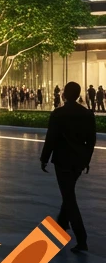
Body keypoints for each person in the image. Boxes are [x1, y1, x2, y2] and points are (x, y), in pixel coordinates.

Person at [40, 80, 96, 253]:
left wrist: (44, 158)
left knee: (69, 198)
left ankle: (81, 238)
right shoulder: (87, 114)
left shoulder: (58, 114)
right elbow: (91, 141)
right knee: (68, 192)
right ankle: (61, 226)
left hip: (63, 160)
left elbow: (51, 138)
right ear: (79, 95)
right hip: (78, 161)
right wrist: (86, 160)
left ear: (64, 94)